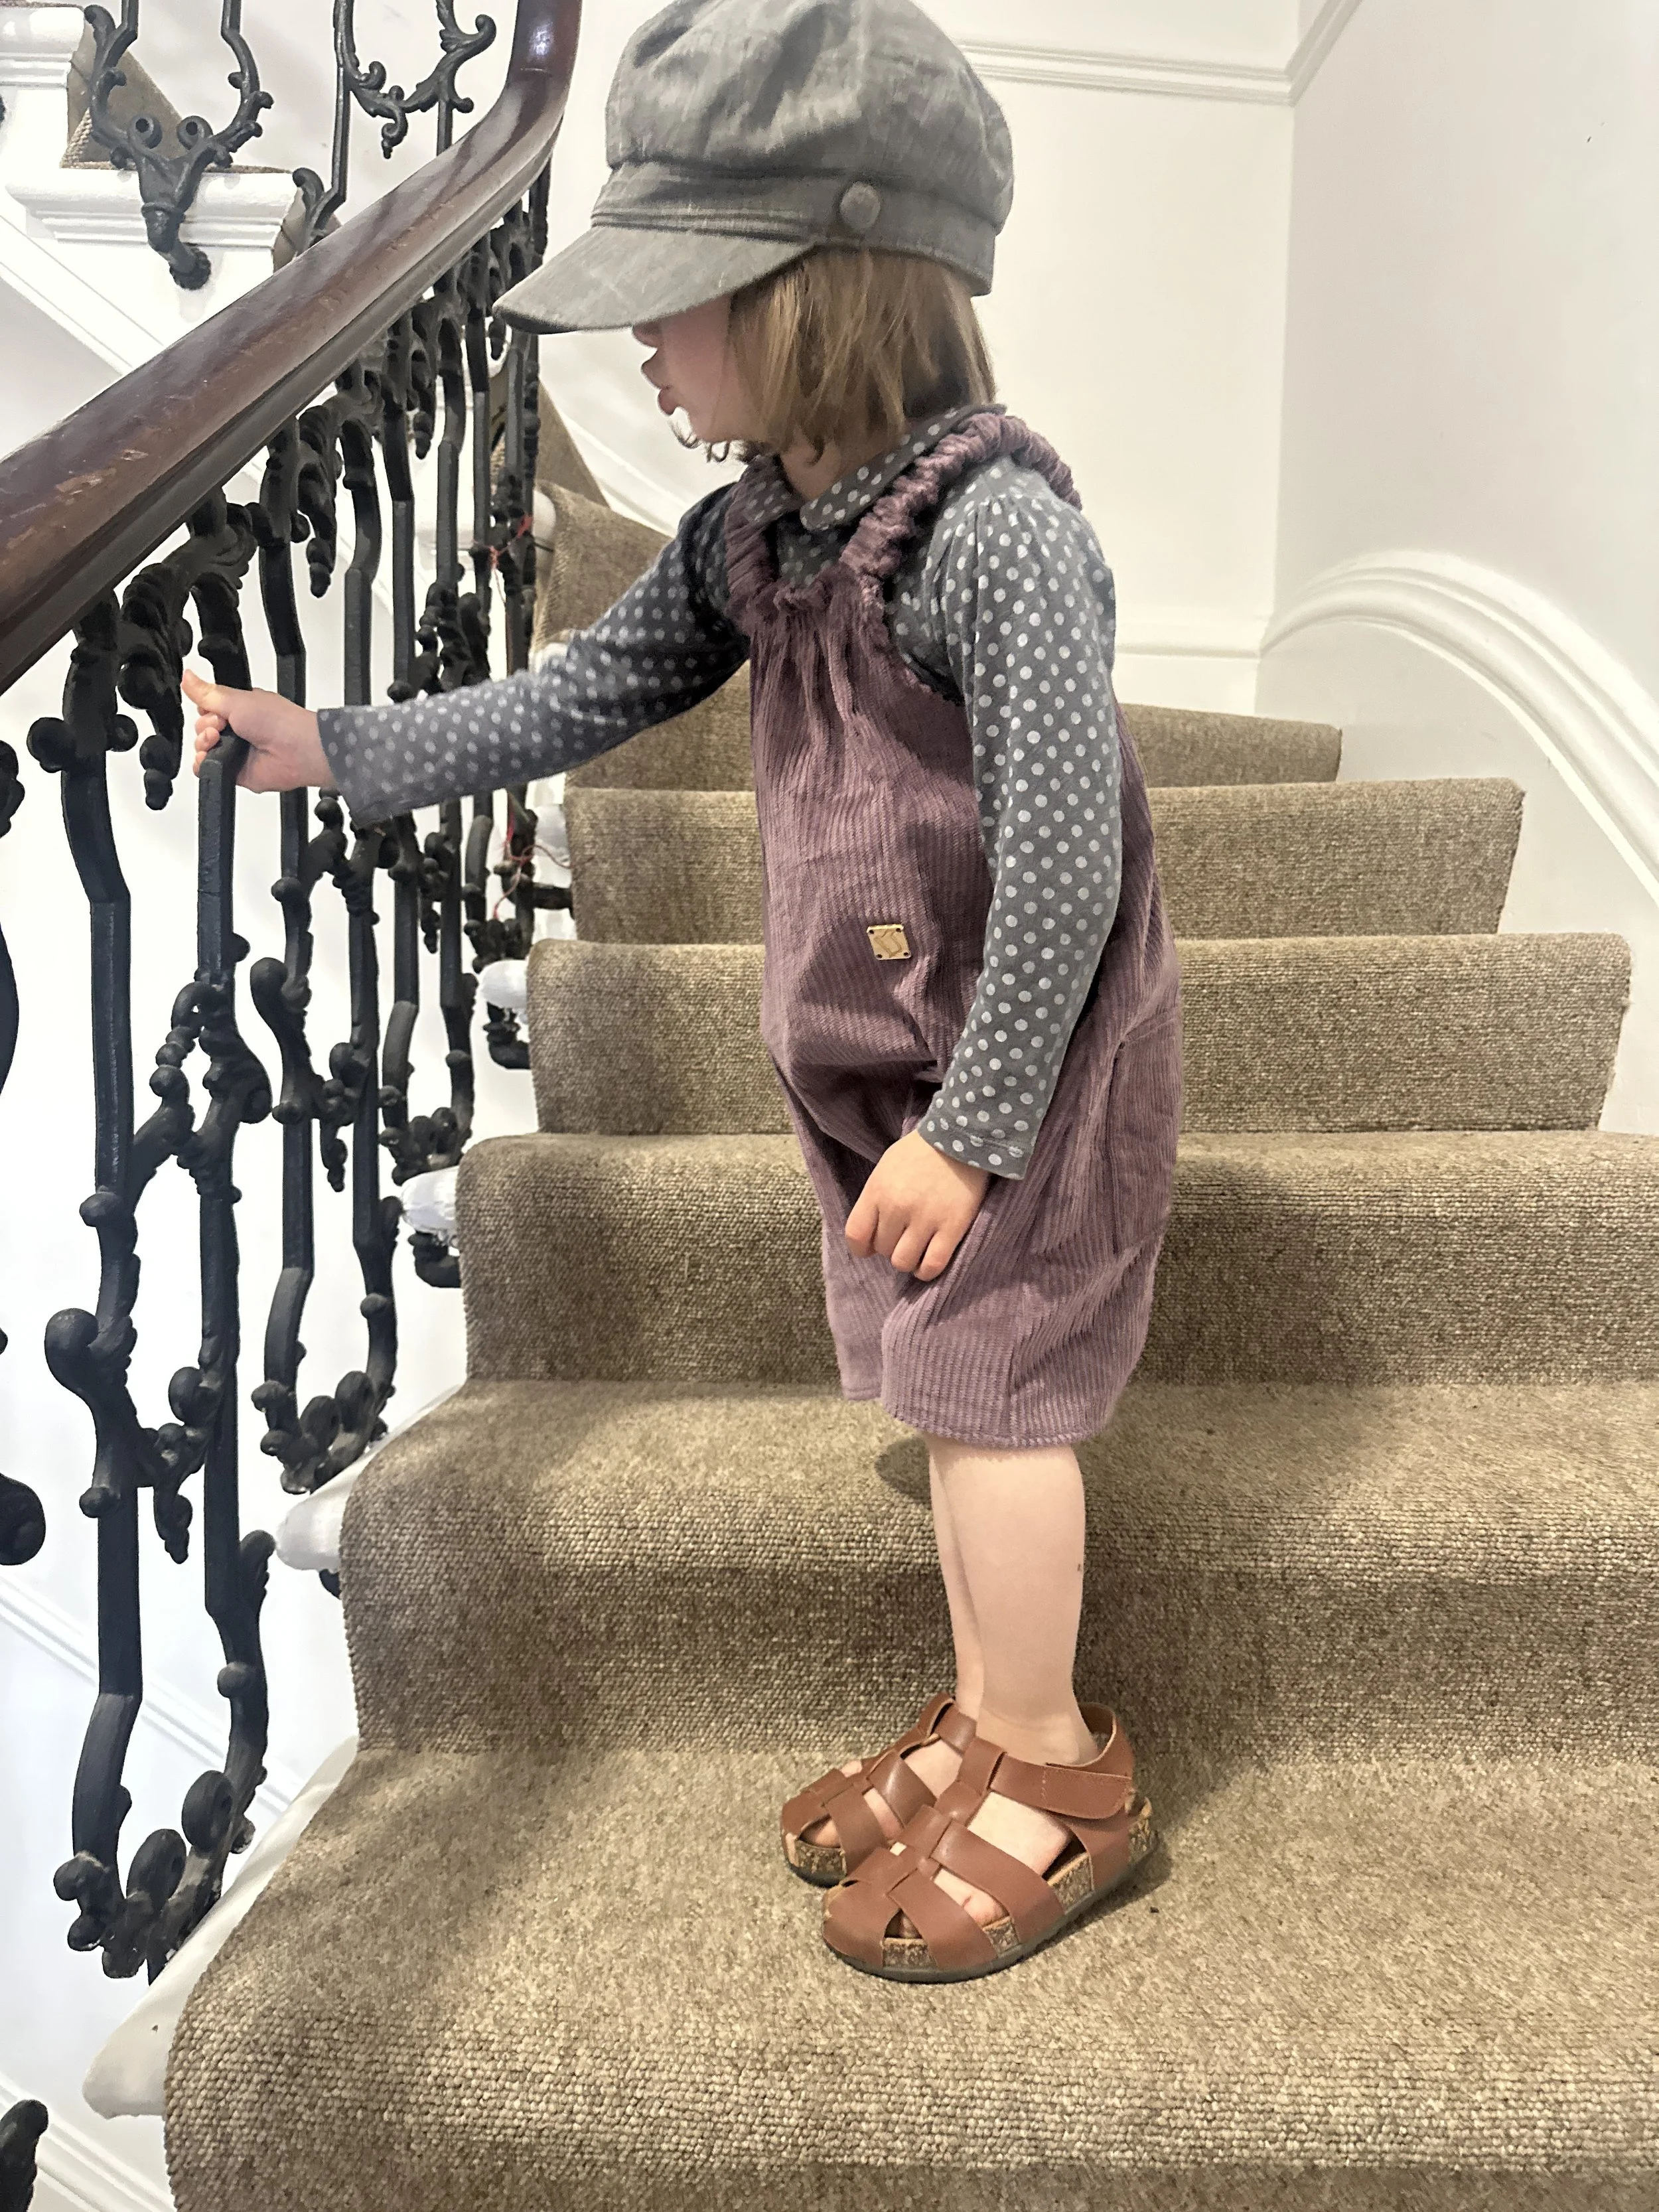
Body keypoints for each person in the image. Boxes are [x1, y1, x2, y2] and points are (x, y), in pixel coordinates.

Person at [182, 0, 1183, 1984]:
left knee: (990, 1414)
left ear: (813, 291)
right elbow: (582, 691)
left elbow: (1066, 873)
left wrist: (980, 1137)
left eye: (676, 294)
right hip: (886, 1070)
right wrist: (344, 746)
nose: (638, 344)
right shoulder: (753, 538)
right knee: (935, 1393)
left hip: (1021, 1076)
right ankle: (987, 1714)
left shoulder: (991, 539)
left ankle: (1061, 1765)